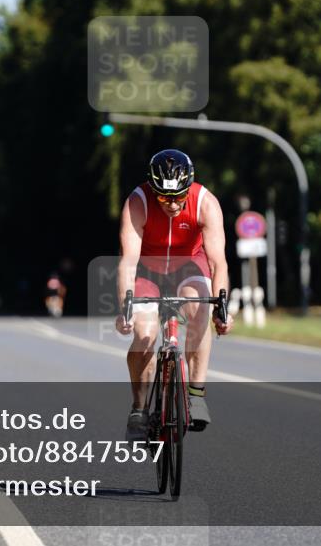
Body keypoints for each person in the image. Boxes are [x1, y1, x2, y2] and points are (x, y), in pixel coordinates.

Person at [114, 149, 234, 440]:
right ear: (152, 188)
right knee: (144, 334)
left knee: (199, 309)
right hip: (148, 269)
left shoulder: (205, 202)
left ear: (188, 187)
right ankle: (139, 409)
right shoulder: (138, 202)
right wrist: (124, 308)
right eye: (163, 197)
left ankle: (196, 394)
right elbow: (128, 261)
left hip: (189, 265)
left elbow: (218, 262)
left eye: (178, 197)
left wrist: (222, 308)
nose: (171, 204)